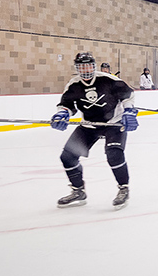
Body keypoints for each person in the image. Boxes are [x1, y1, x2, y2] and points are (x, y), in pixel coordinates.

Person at [51, 52, 138, 210]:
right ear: (77, 68)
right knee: (68, 157)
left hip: (113, 123)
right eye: (82, 67)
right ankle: (78, 191)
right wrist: (62, 114)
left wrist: (129, 111)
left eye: (89, 66)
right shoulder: (74, 85)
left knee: (114, 154)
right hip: (89, 125)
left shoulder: (108, 80)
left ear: (94, 66)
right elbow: (67, 105)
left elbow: (128, 95)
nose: (86, 70)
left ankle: (123, 189)